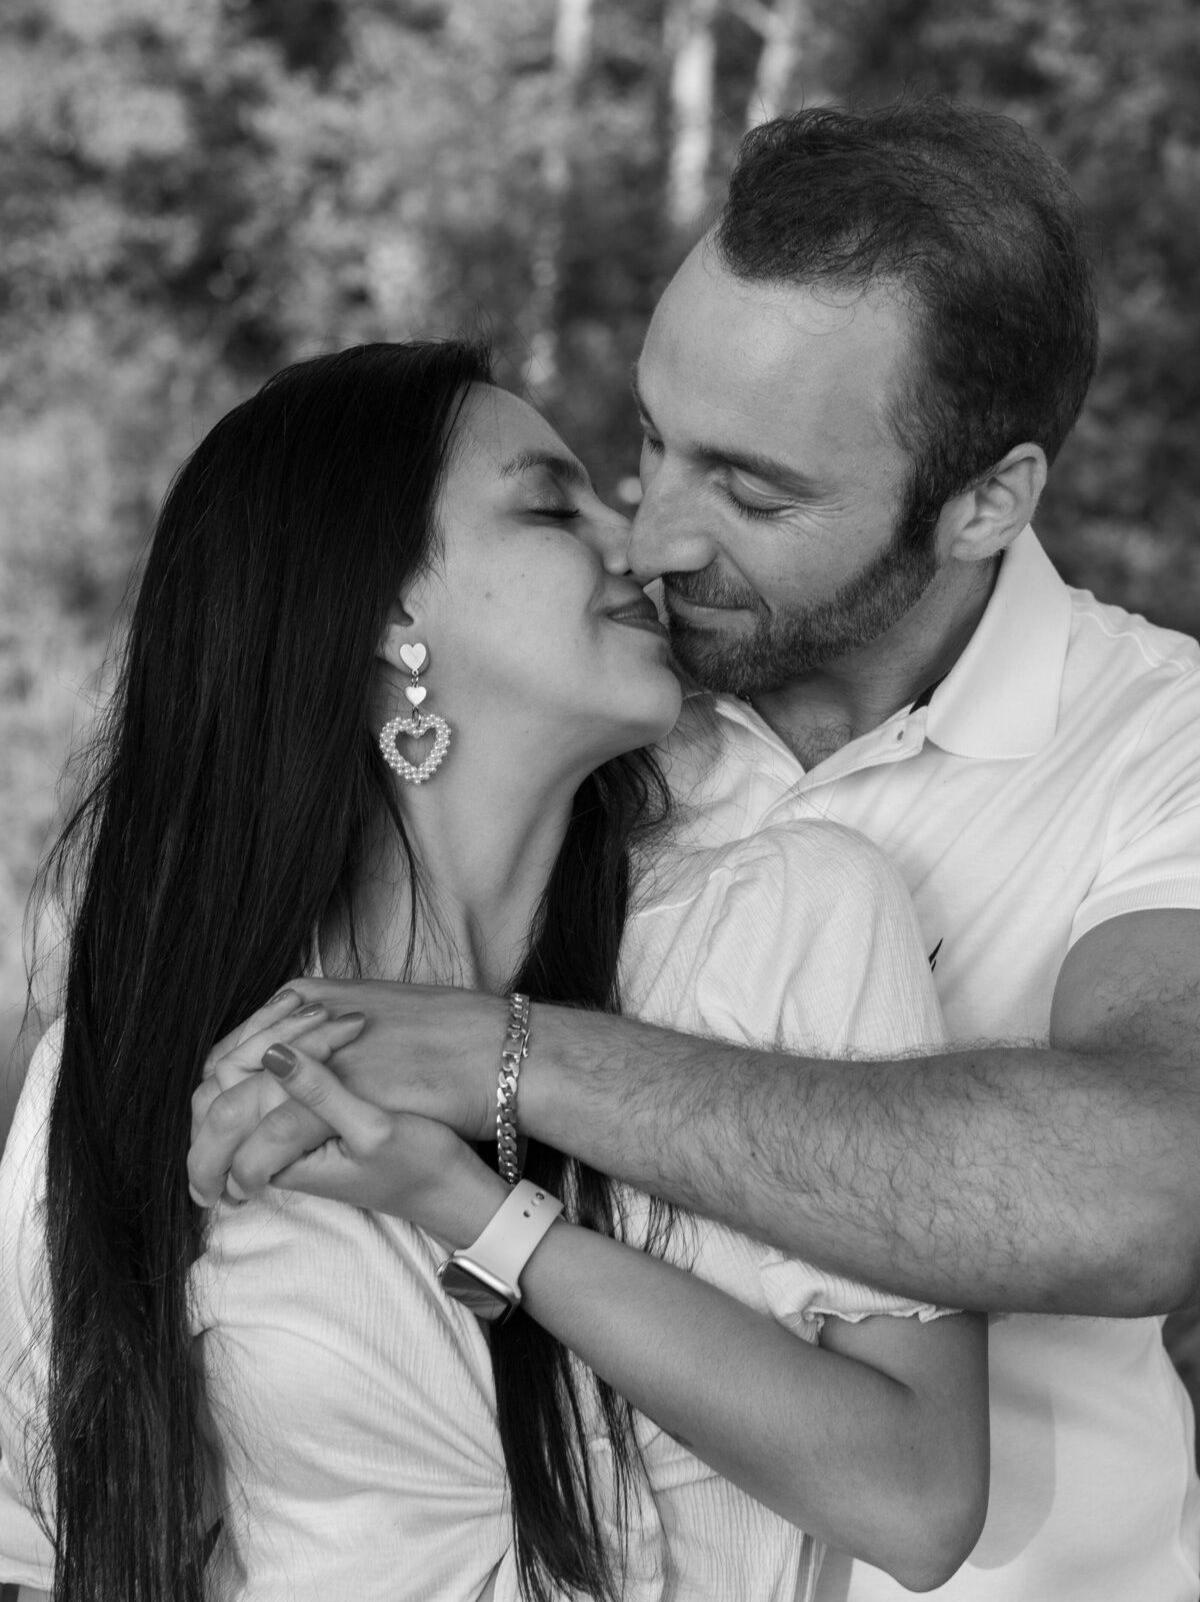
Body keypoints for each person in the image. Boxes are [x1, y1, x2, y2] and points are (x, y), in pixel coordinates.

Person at [188, 100, 1200, 1601]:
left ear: (988, 500)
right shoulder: (592, 706)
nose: (653, 535)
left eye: (752, 489)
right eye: (654, 441)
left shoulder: (1158, 746)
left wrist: (508, 1059)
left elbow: (1146, 1194)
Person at [0, 340, 988, 1601]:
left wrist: (477, 1214)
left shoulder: (790, 918)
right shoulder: (143, 1050)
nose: (641, 546)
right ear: (381, 609)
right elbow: (48, 1546)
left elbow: (919, 1499)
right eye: (548, 505)